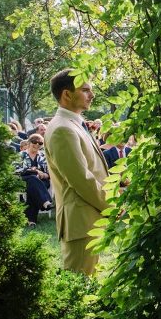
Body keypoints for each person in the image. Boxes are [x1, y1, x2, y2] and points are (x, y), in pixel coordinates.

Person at [44, 69, 110, 276]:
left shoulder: (72, 124)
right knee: (80, 285)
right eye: (85, 90)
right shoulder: (62, 129)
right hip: (80, 223)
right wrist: (112, 205)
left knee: (89, 285)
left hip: (88, 220)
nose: (92, 95)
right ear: (67, 94)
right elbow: (81, 179)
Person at [15, 133, 52, 226]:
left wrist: (44, 175)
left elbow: (49, 173)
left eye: (40, 143)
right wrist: (34, 171)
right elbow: (15, 169)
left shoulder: (43, 156)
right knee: (32, 178)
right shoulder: (21, 155)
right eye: (34, 142)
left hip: (42, 182)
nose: (37, 144)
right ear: (29, 143)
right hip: (24, 180)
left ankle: (31, 221)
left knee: (33, 188)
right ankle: (45, 201)